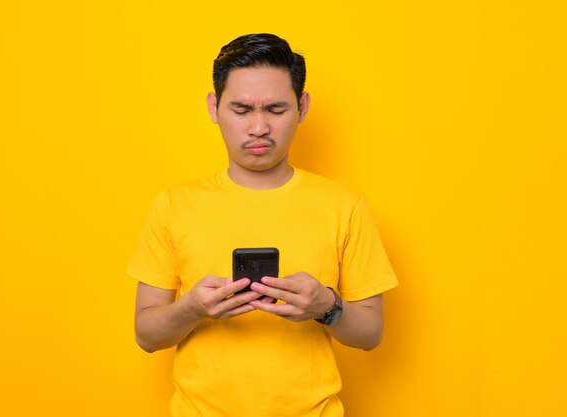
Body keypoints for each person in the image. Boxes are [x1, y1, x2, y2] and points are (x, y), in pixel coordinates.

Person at [128, 33, 399, 417]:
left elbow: (371, 334)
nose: (258, 127)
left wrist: (327, 306)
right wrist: (192, 308)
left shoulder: (343, 204)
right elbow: (146, 335)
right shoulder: (174, 204)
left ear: (302, 107)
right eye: (241, 110)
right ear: (213, 106)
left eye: (276, 109)